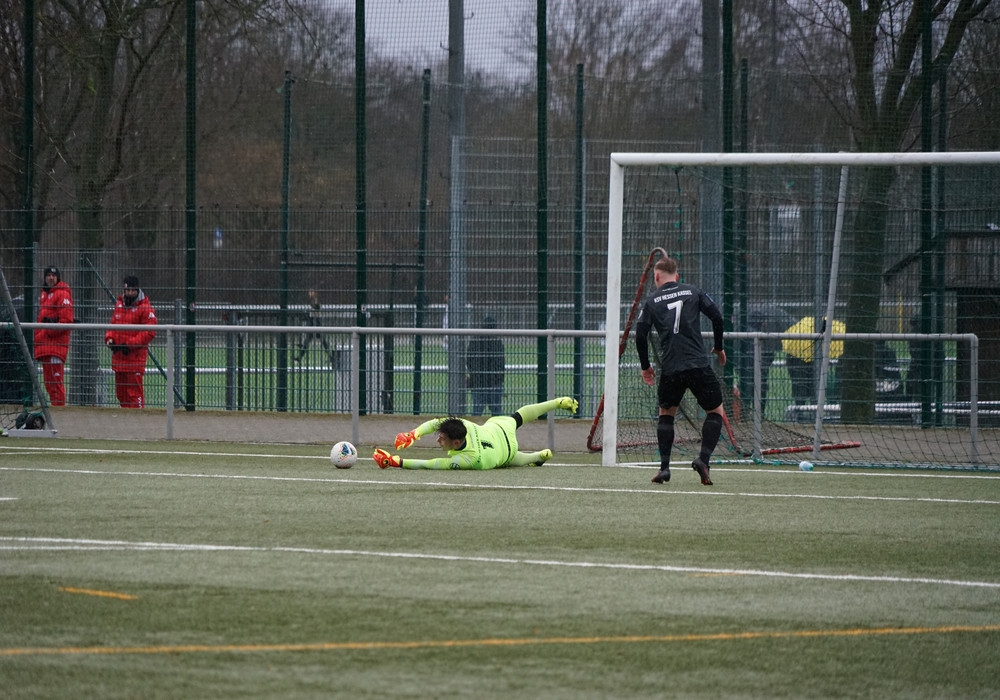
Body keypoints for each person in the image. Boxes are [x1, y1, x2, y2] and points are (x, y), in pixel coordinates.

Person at [634, 255, 726, 486]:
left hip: (671, 368)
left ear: (656, 276)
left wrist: (645, 367)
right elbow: (717, 316)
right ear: (677, 276)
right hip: (697, 364)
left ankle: (664, 468)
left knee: (666, 415)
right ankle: (703, 459)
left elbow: (640, 334)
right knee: (715, 412)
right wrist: (718, 347)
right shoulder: (693, 291)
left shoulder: (652, 301)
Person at [372, 396, 579, 470]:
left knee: (510, 459)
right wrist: (413, 434)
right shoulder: (462, 424)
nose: (438, 439)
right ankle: (557, 402)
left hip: (506, 454)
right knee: (519, 416)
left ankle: (536, 457)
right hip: (500, 429)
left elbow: (431, 464)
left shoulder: (468, 459)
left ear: (456, 443)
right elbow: (435, 424)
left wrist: (397, 462)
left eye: (442, 438)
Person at [104, 275, 157, 408]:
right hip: (119, 358)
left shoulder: (145, 307)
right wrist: (110, 339)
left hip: (135, 358)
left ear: (137, 290)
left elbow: (149, 331)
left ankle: (138, 418)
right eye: (127, 290)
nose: (129, 293)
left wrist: (129, 345)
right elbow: (113, 325)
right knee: (121, 394)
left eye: (132, 290)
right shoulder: (119, 305)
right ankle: (126, 418)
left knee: (134, 394)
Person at [781, 316, 845, 407]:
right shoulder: (816, 347)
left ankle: (802, 409)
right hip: (804, 366)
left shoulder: (798, 345)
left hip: (802, 365)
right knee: (809, 390)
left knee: (801, 390)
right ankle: (810, 409)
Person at [33, 266, 74, 406]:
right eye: (48, 275)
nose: (51, 278)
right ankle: (56, 409)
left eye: (53, 275)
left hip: (55, 347)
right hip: (45, 346)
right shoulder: (45, 295)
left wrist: (49, 329)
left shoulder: (62, 294)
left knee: (55, 384)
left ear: (58, 278)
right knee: (50, 384)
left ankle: (59, 412)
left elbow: (66, 321)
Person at [466, 315, 505, 415]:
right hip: (494, 382)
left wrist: (473, 375)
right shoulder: (497, 342)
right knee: (496, 413)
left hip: (478, 381)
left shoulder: (474, 341)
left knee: (477, 412)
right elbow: (500, 363)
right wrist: (500, 380)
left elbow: (469, 360)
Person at [293, 289, 337, 364]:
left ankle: (331, 357)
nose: (310, 294)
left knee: (323, 342)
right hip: (311, 325)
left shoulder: (316, 301)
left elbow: (317, 308)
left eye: (311, 292)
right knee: (307, 342)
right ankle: (300, 357)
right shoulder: (310, 302)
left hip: (316, 324)